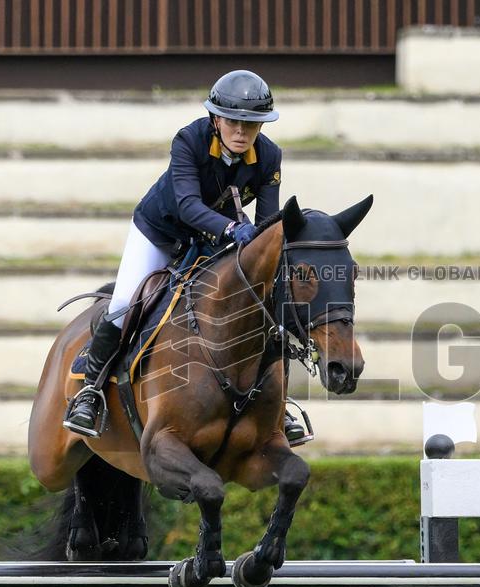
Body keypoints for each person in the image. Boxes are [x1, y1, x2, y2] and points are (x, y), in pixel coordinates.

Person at [64, 69, 305, 443]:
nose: (242, 132)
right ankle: (90, 392)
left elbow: (268, 222)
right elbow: (188, 205)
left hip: (214, 244)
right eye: (234, 122)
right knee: (126, 303)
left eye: (252, 124)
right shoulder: (189, 140)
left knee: (265, 312)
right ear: (215, 119)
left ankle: (280, 406)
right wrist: (231, 230)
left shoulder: (269, 156)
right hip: (160, 232)